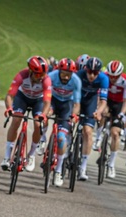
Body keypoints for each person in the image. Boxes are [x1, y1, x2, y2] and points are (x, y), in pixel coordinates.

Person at [1, 56, 52, 172]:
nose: (41, 77)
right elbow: (10, 95)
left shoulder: (46, 80)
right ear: (30, 71)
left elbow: (47, 102)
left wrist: (43, 115)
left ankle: (31, 155)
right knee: (16, 120)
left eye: (43, 74)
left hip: (38, 101)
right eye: (39, 75)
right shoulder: (22, 75)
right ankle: (6, 157)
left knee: (38, 125)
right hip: (22, 98)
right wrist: (9, 108)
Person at [93, 60, 126, 179]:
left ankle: (111, 164)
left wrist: (121, 114)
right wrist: (99, 107)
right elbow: (99, 95)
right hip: (107, 101)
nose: (113, 79)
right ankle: (98, 137)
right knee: (103, 112)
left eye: (115, 76)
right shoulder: (104, 76)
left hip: (119, 104)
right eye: (111, 76)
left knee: (115, 133)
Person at [46, 57, 81, 187]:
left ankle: (58, 170)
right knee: (44, 115)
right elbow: (46, 97)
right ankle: (42, 139)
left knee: (61, 138)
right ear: (59, 70)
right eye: (63, 73)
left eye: (69, 74)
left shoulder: (76, 81)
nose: (66, 77)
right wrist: (46, 111)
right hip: (53, 101)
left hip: (67, 105)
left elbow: (77, 103)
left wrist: (74, 115)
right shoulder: (51, 76)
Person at [76, 56, 109, 180]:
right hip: (78, 100)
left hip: (91, 102)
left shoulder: (104, 79)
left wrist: (98, 112)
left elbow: (103, 101)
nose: (91, 75)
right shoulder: (79, 74)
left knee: (88, 132)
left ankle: (83, 167)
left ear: (99, 72)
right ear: (85, 69)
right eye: (89, 72)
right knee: (68, 123)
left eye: (95, 73)